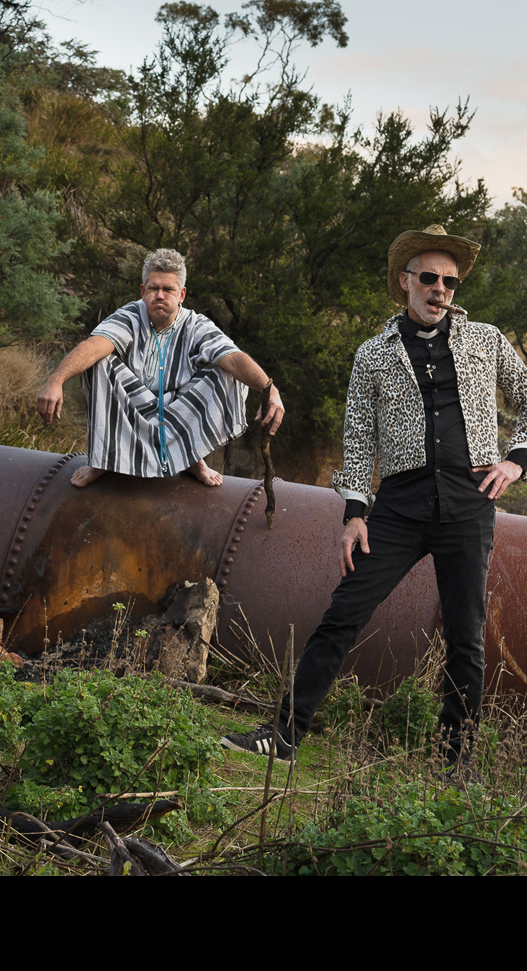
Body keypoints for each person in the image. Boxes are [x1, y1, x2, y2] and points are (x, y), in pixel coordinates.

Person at [221, 224, 527, 773]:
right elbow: (358, 438)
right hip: (401, 506)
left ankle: (453, 765)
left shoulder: (486, 340)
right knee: (344, 613)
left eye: (450, 282)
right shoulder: (373, 354)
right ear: (405, 281)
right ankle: (285, 736)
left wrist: (516, 460)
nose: (440, 289)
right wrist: (354, 513)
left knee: (466, 638)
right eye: (429, 278)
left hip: (468, 501)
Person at [36, 248, 284, 487]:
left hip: (180, 411)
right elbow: (92, 346)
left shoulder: (196, 325)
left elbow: (233, 358)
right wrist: (56, 380)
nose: (160, 295)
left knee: (228, 371)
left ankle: (191, 459)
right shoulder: (131, 315)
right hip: (134, 409)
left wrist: (270, 390)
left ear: (182, 295)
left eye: (168, 289)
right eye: (154, 288)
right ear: (143, 291)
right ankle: (106, 460)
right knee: (98, 361)